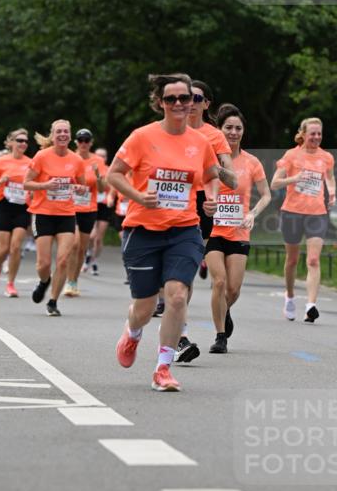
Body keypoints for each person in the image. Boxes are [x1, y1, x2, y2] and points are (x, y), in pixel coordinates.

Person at [108, 74, 218, 392]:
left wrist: (210, 197)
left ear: (194, 102)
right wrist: (138, 196)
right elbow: (114, 175)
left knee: (177, 295)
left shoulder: (200, 143)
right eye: (172, 99)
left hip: (184, 229)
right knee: (144, 307)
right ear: (160, 103)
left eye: (187, 98)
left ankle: (163, 368)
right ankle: (132, 332)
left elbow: (211, 174)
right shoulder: (142, 137)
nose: (181, 104)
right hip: (142, 229)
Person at [174, 79, 239, 362]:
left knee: (186, 272)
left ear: (205, 104)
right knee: (180, 275)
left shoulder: (214, 136)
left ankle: (181, 333)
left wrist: (214, 169)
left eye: (197, 98)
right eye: (186, 98)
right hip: (174, 200)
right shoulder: (171, 130)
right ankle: (179, 334)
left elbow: (232, 178)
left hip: (203, 204)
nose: (190, 103)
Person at [205, 104, 271, 353]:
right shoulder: (208, 157)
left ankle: (225, 310)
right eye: (228, 128)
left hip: (240, 231)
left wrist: (253, 213)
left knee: (233, 289)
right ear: (219, 130)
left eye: (238, 128)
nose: (233, 132)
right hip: (212, 231)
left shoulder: (251, 162)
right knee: (219, 282)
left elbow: (266, 195)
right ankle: (220, 336)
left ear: (243, 132)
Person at [271, 117, 336, 322]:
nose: (316, 137)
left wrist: (332, 193)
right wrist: (295, 178)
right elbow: (274, 183)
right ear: (304, 134)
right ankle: (289, 296)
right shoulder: (291, 155)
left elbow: (330, 178)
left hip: (317, 213)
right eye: (312, 133)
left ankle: (311, 305)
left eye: (319, 133)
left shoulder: (326, 157)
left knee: (313, 259)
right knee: (292, 260)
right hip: (292, 212)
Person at [23, 120, 88, 316]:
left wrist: (79, 188)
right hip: (43, 213)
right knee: (43, 264)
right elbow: (26, 183)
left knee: (62, 261)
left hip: (66, 214)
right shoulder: (42, 156)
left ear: (70, 136)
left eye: (65, 132)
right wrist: (45, 186)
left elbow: (83, 188)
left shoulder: (77, 160)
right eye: (58, 131)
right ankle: (44, 281)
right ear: (52, 135)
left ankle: (52, 301)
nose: (62, 135)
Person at [0, 129, 32, 297]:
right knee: (3, 249)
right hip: (4, 206)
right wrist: (0, 181)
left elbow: (35, 184)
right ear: (11, 142)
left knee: (16, 247)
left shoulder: (31, 162)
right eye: (19, 140)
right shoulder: (1, 161)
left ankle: (11, 284)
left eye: (26, 141)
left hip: (22, 207)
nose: (23, 144)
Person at [65, 129, 106, 296]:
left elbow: (103, 189)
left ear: (91, 142)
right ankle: (68, 281)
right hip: (70, 208)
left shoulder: (98, 161)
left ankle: (74, 281)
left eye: (86, 140)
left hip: (89, 209)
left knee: (81, 248)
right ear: (75, 142)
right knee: (73, 244)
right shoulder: (69, 158)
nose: (83, 143)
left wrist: (97, 175)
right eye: (80, 140)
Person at [84, 147, 110, 275]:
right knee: (91, 236)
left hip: (104, 205)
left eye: (103, 156)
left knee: (99, 239)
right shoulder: (89, 167)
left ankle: (93, 260)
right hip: (91, 203)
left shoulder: (109, 170)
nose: (101, 158)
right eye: (98, 155)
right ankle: (88, 253)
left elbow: (111, 187)